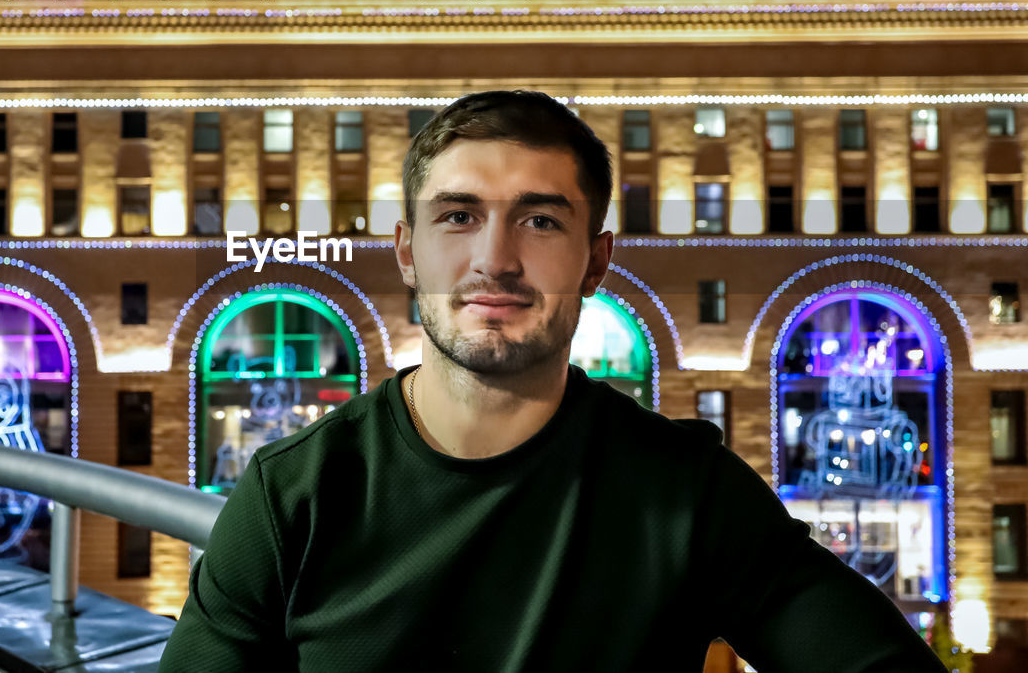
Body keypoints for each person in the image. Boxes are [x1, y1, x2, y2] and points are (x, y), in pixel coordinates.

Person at [160, 90, 945, 672]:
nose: (495, 259)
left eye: (540, 220)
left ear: (597, 259)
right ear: (407, 250)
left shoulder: (686, 492)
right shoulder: (290, 496)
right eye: (458, 216)